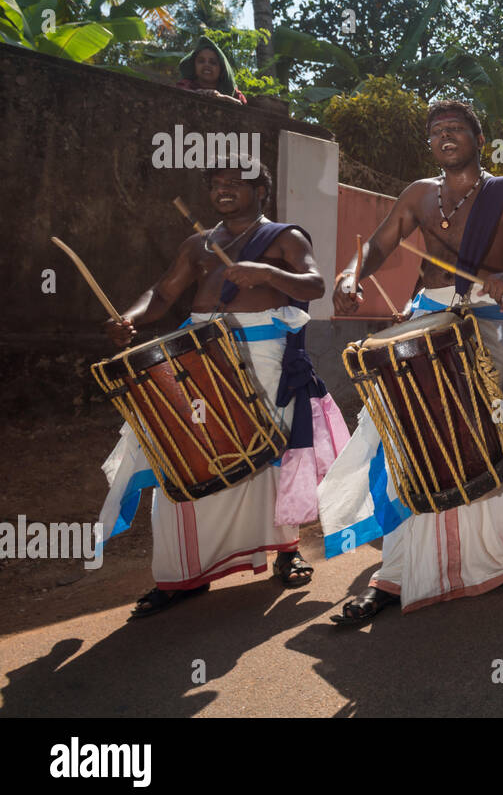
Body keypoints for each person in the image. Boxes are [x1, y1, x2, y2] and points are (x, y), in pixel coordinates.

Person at [321, 100, 503, 623]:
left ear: (479, 138)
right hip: (425, 320)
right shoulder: (417, 195)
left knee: (486, 435)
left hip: (486, 321)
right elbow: (379, 246)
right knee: (403, 436)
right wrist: (350, 275)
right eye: (436, 132)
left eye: (456, 129)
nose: (445, 137)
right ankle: (398, 572)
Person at [98, 162, 348, 617]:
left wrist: (268, 275)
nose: (222, 190)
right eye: (216, 184)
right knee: (183, 454)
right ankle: (182, 573)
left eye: (234, 183)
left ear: (260, 190)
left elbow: (315, 284)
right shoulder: (199, 244)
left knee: (272, 453)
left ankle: (287, 551)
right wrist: (132, 317)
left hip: (265, 356)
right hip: (197, 357)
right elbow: (161, 293)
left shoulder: (285, 238)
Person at [176, 36, 248, 104]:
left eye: (213, 62)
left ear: (222, 69)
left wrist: (221, 98)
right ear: (194, 65)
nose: (206, 65)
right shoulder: (185, 84)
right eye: (201, 61)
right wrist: (199, 94)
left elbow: (242, 106)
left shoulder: (234, 93)